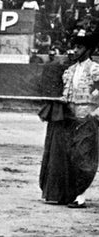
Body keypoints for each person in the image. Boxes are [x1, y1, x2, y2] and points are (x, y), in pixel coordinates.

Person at [40, 31, 99, 208]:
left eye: (79, 47)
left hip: (88, 119)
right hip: (70, 118)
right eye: (74, 47)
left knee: (83, 158)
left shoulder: (95, 69)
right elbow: (67, 95)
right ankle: (70, 195)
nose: (75, 50)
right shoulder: (70, 70)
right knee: (68, 158)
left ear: (89, 50)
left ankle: (79, 197)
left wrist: (96, 114)